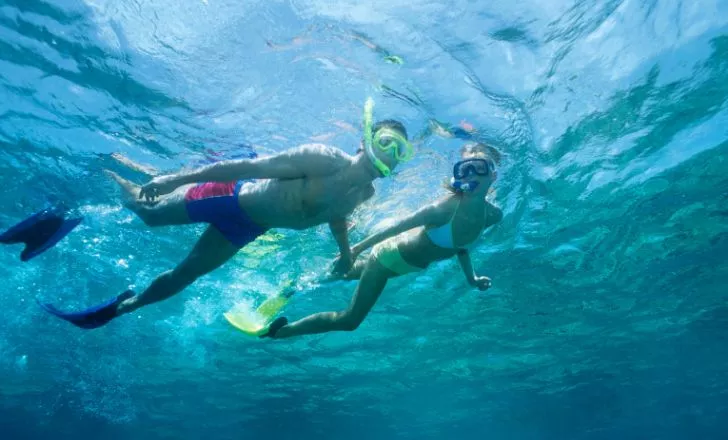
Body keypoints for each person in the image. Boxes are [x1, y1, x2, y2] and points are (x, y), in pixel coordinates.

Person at [39, 100, 414, 329]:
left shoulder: (364, 192)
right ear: (366, 139)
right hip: (229, 197)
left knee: (186, 275)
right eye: (386, 144)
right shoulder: (323, 159)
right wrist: (176, 179)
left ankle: (124, 307)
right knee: (146, 214)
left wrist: (346, 254)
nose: (390, 156)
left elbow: (337, 219)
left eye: (400, 153)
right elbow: (246, 168)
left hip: (248, 226)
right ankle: (110, 171)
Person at [262, 142, 503, 339]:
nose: (471, 174)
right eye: (464, 168)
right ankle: (282, 332)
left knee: (342, 274)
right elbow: (395, 228)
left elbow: (461, 247)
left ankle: (294, 285)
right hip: (386, 259)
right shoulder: (443, 208)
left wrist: (471, 278)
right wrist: (354, 250)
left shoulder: (492, 215)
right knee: (350, 321)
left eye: (479, 167)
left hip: (402, 267)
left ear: (493, 174)